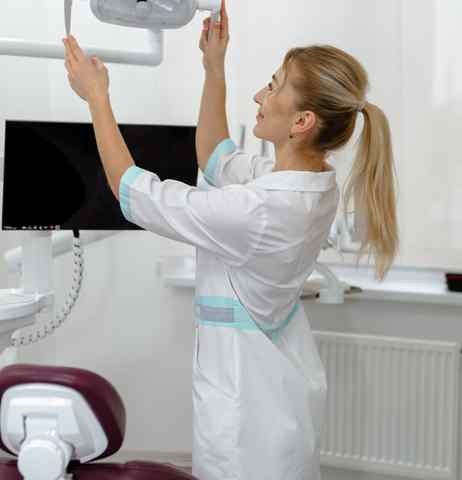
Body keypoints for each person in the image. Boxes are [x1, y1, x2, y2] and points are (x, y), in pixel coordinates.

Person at [63, 1, 398, 478]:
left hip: (247, 420)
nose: (260, 94)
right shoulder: (311, 185)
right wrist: (213, 68)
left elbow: (135, 193)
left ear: (302, 122)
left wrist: (97, 99)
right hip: (276, 395)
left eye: (274, 86)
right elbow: (216, 157)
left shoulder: (260, 210)